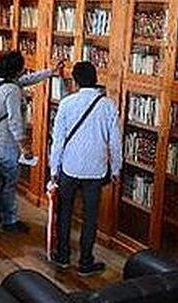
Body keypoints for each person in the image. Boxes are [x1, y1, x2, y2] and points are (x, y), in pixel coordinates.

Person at [48, 61, 122, 275]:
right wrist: (116, 169)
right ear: (95, 79)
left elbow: (58, 140)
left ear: (75, 81)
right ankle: (86, 262)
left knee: (65, 212)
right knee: (90, 217)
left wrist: (54, 169)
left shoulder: (66, 103)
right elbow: (115, 142)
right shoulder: (108, 105)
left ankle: (63, 256)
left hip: (69, 167)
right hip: (96, 170)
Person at [0, 51, 59, 233]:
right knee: (9, 181)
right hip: (8, 142)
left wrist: (50, 72)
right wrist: (24, 146)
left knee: (2, 178)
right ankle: (9, 221)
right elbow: (15, 121)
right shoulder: (12, 90)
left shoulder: (3, 83)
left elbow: (29, 79)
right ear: (18, 69)